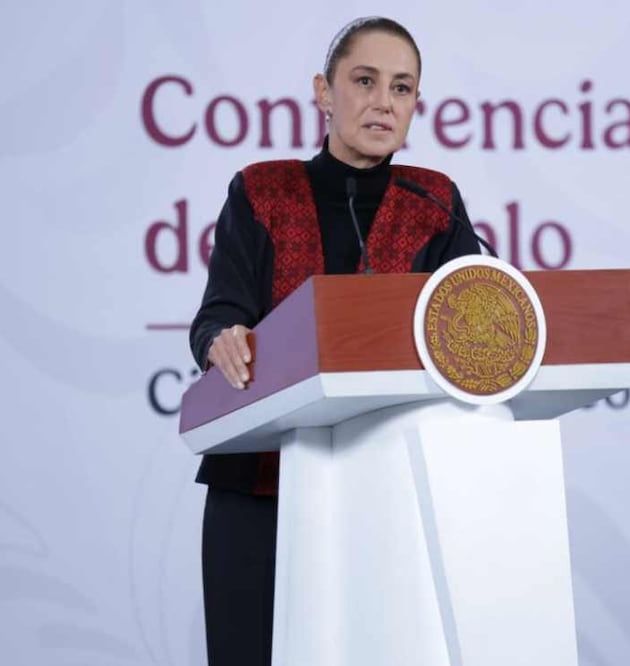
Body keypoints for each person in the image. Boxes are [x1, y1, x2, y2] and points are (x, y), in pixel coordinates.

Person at [188, 16, 481, 666]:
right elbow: (219, 315)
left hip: (385, 492)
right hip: (259, 488)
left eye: (401, 88)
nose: (383, 101)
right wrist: (222, 338)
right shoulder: (261, 190)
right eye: (365, 80)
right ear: (324, 92)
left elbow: (475, 321)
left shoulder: (435, 202)